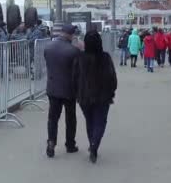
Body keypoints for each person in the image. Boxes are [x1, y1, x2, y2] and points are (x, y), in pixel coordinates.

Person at [74, 30, 117, 164]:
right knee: (100, 121)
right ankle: (94, 145)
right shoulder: (105, 57)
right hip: (103, 96)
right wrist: (112, 90)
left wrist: (77, 93)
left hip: (84, 96)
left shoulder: (79, 58)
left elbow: (74, 77)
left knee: (89, 120)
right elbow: (112, 77)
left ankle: (92, 143)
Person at [44, 24, 80, 158]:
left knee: (53, 118)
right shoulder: (73, 51)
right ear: (71, 35)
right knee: (70, 118)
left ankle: (51, 143)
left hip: (53, 88)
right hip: (69, 90)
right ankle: (70, 145)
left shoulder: (48, 47)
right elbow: (78, 72)